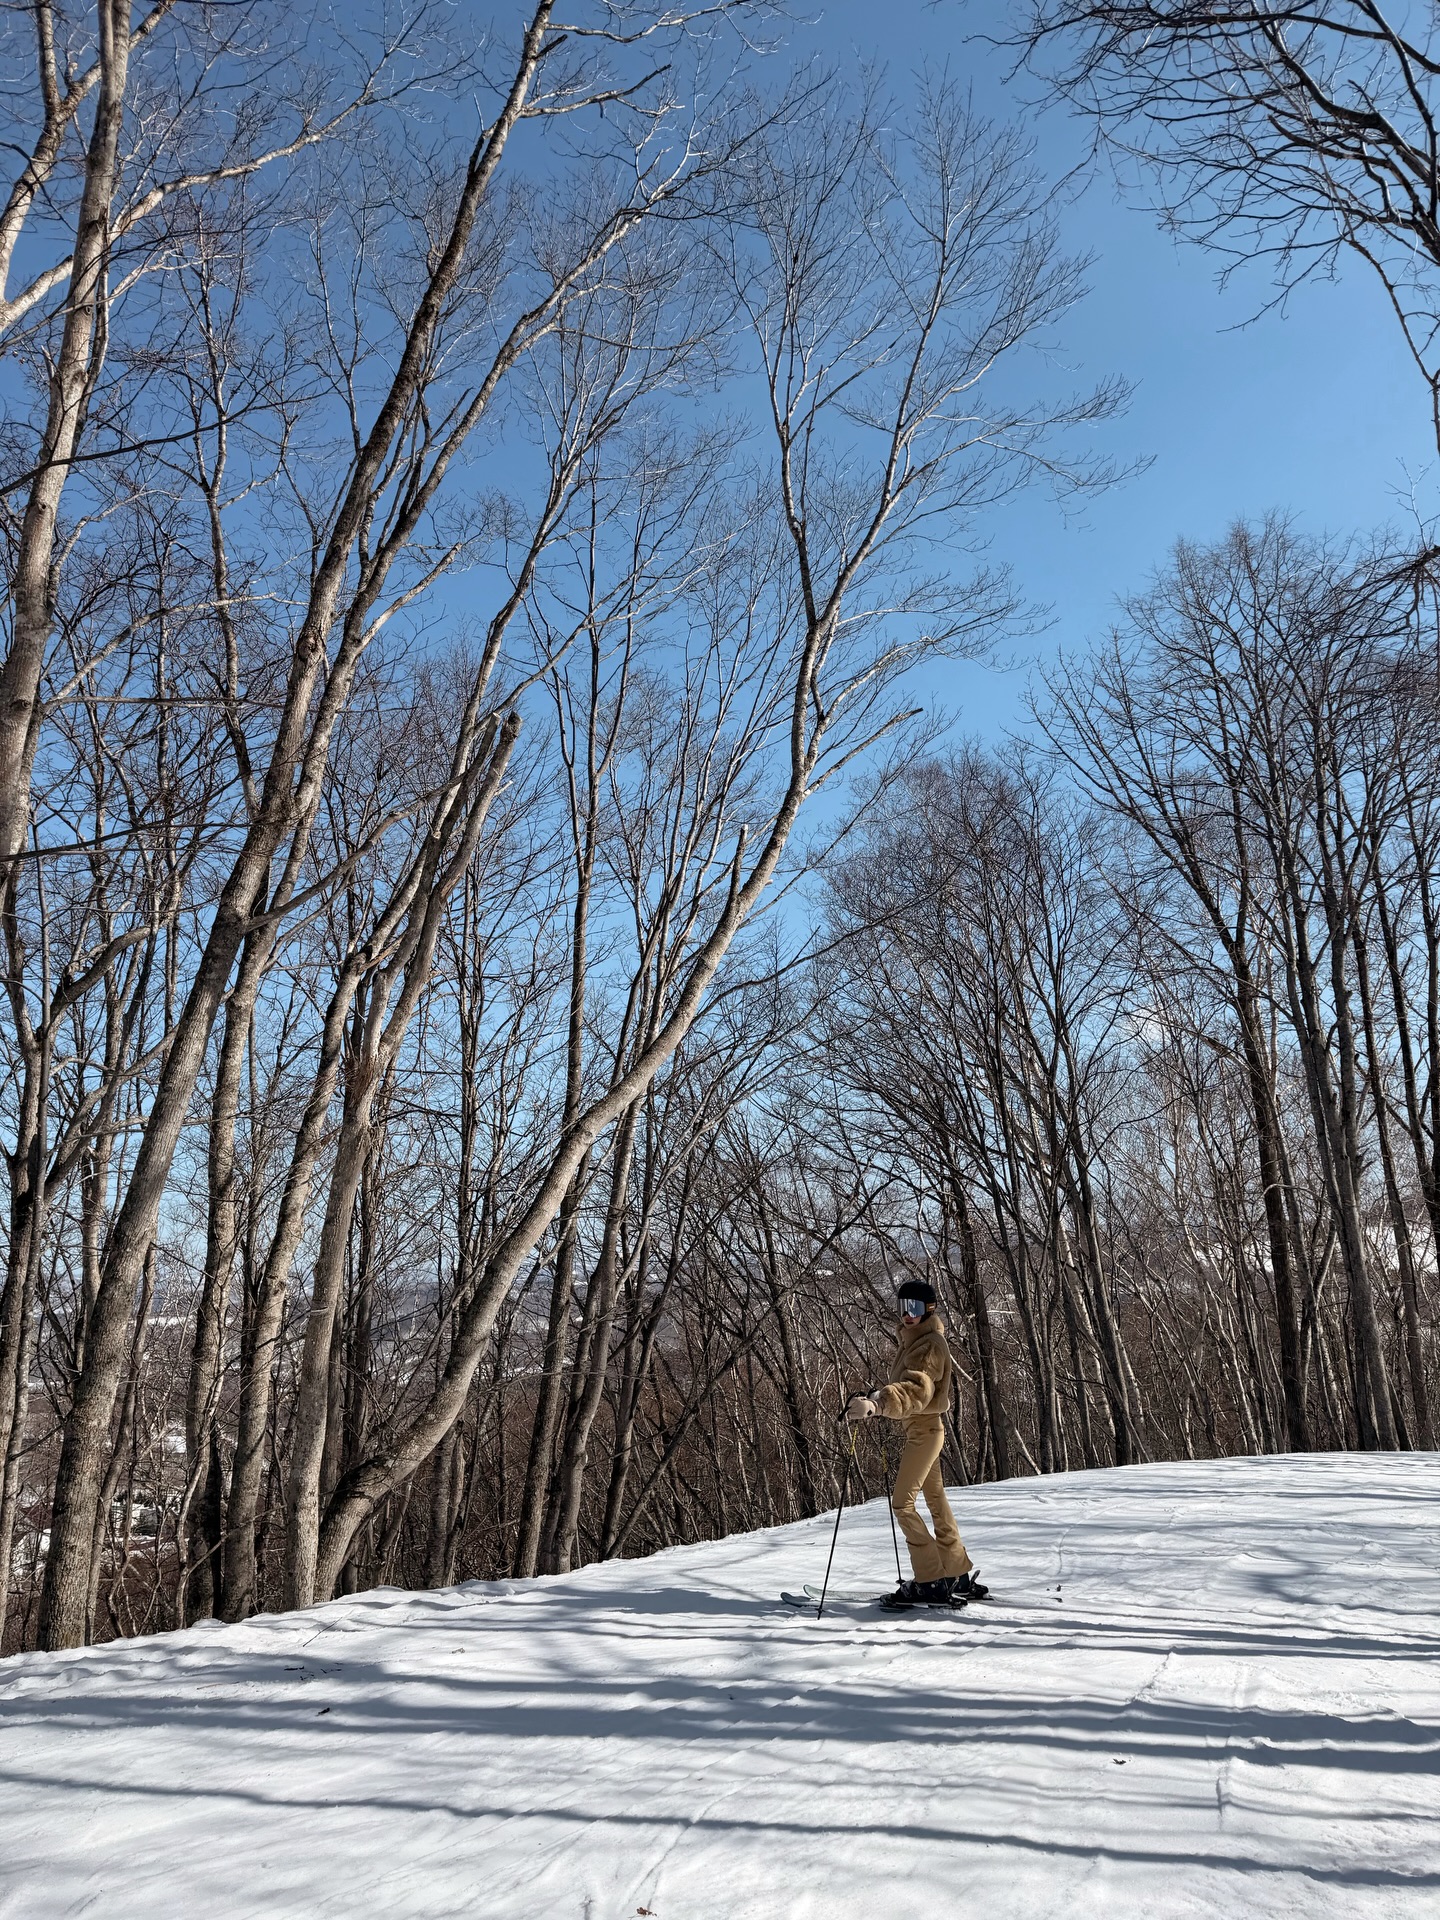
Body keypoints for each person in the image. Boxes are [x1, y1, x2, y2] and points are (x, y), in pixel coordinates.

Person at [847, 1276, 983, 1609]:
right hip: (921, 1430)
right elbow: (906, 1384)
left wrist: (877, 1406)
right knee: (935, 1500)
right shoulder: (917, 1340)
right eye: (904, 1307)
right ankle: (955, 1573)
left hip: (924, 1431)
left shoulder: (929, 1345)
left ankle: (930, 1581)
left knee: (902, 1504)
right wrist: (875, 1396)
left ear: (929, 1309)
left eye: (915, 1308)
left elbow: (917, 1389)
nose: (908, 1314)